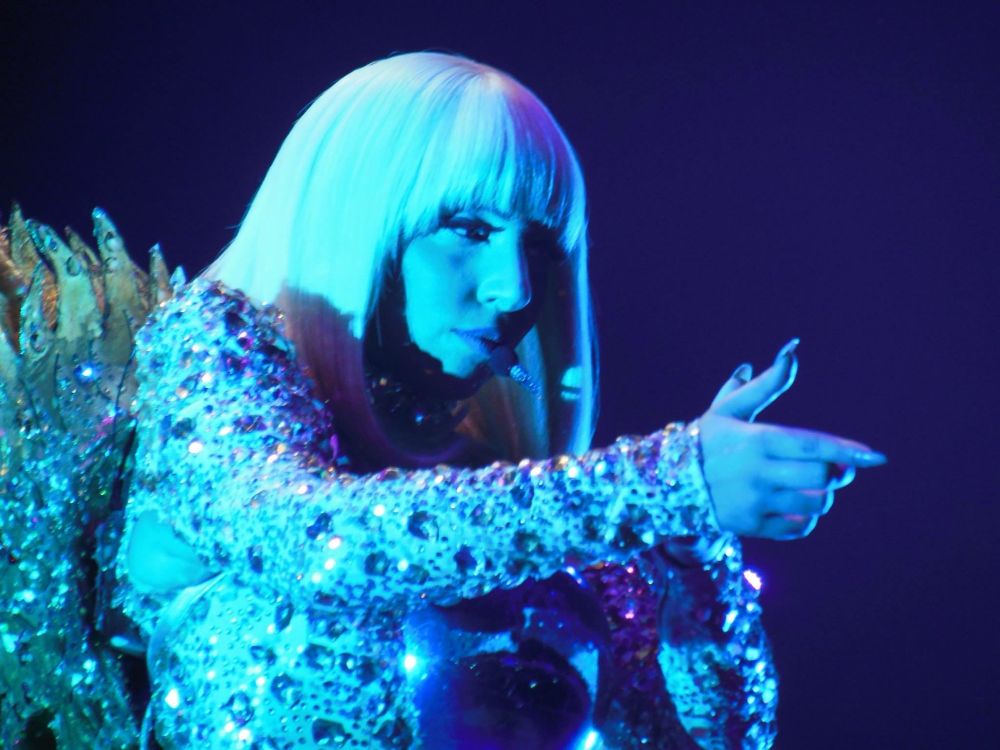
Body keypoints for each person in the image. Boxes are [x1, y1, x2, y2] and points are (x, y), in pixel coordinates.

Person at [0, 51, 884, 749]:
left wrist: (696, 557)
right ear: (359, 218)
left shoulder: (528, 502)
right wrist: (670, 478)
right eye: (467, 230)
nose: (514, 288)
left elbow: (703, 740)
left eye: (541, 247)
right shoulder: (217, 347)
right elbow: (320, 542)